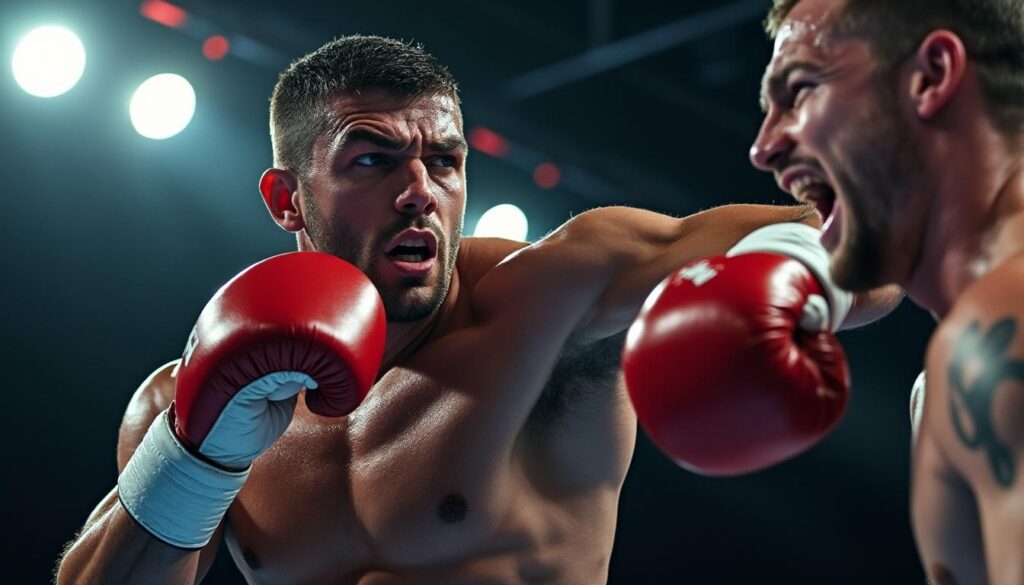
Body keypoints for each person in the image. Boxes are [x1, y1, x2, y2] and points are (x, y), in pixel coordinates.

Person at [55, 35, 897, 584]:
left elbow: (877, 241)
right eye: (374, 159)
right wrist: (200, 458)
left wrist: (791, 275)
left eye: (446, 161)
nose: (420, 191)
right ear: (288, 197)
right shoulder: (189, 400)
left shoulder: (547, 302)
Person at [751, 1, 1024, 582]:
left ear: (930, 78)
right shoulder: (948, 384)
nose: (764, 146)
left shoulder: (1003, 334)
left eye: (799, 90)